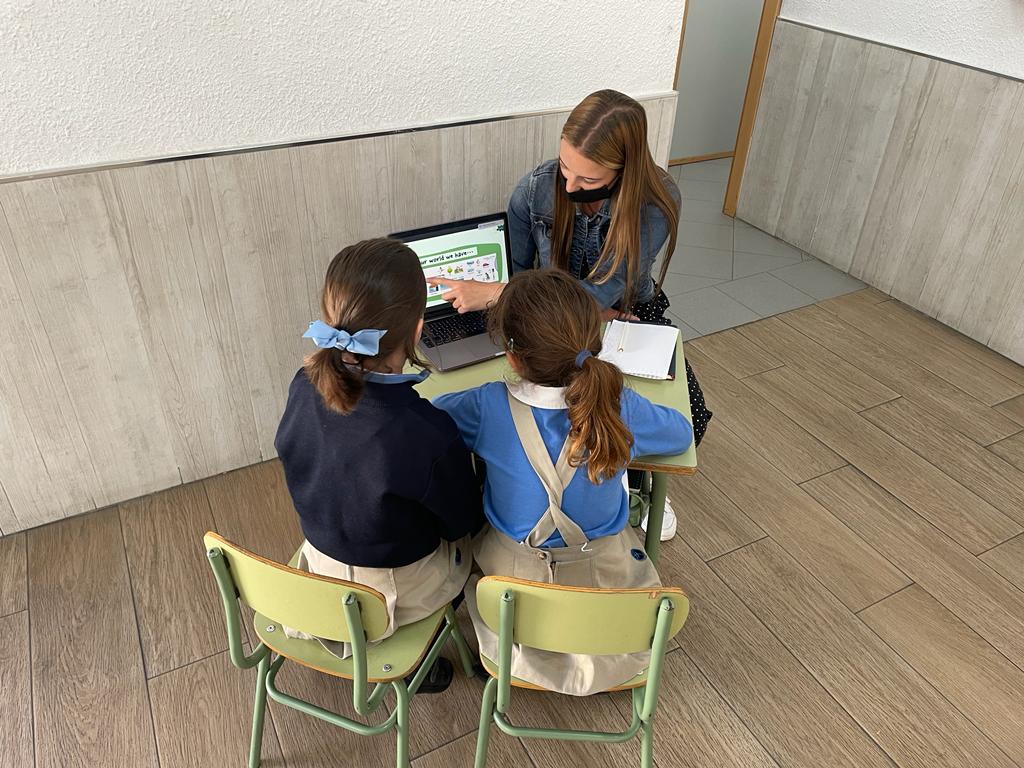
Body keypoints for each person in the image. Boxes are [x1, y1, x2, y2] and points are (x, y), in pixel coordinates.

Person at [427, 89, 712, 540]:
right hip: (548, 320)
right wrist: (524, 300)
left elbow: (603, 293)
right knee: (585, 403)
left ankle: (634, 471)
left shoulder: (655, 201)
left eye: (588, 178)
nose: (570, 186)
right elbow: (523, 273)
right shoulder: (534, 189)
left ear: (625, 170)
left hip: (626, 318)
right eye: (565, 168)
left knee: (683, 407)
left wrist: (499, 294)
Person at [434, 270, 693, 695]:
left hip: (511, 599)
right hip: (608, 594)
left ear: (511, 357)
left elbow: (430, 418)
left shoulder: (485, 404)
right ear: (594, 341)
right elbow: (681, 434)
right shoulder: (618, 403)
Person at [275, 238, 484, 692]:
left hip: (318, 569)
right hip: (391, 594)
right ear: (418, 329)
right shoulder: (427, 432)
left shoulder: (301, 385)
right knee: (481, 542)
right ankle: (424, 657)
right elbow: (461, 522)